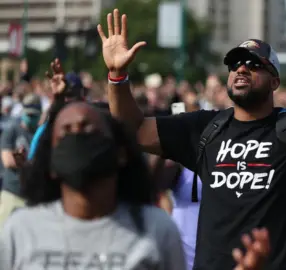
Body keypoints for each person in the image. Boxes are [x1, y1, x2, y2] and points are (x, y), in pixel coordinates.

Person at [98, 5, 286, 269]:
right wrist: (117, 76)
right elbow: (131, 130)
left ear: (275, 80)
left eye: (254, 65)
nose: (241, 69)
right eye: (235, 64)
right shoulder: (205, 128)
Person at [0, 102, 186, 270]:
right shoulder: (22, 229)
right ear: (51, 162)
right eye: (66, 132)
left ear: (120, 153)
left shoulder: (156, 229)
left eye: (88, 130)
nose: (77, 138)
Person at [28, 59, 88, 160]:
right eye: (66, 95)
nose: (70, 100)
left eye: (73, 94)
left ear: (82, 95)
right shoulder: (46, 129)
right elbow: (33, 161)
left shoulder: (92, 125)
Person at [0, 93, 42, 229]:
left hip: (32, 198)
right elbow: (7, 161)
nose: (31, 118)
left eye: (34, 116)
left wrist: (24, 163)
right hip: (11, 193)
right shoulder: (12, 130)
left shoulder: (41, 134)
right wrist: (30, 163)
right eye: (28, 115)